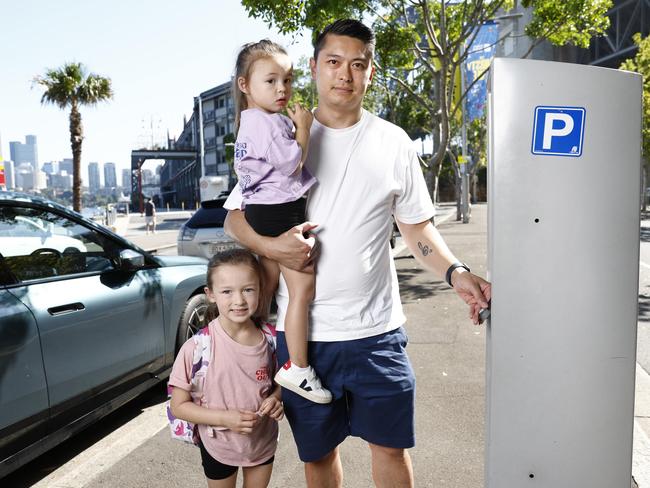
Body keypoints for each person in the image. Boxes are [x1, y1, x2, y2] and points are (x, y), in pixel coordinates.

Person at [224, 19, 491, 488]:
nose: (344, 74)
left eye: (357, 64)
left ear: (371, 71)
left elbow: (416, 228)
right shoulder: (278, 133)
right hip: (305, 341)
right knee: (319, 458)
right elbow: (235, 217)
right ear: (314, 67)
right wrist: (274, 247)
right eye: (333, 62)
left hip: (377, 334)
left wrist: (456, 272)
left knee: (391, 449)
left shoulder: (393, 142)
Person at [231, 39, 331, 404]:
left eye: (287, 80)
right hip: (279, 209)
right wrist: (303, 127)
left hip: (260, 209)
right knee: (303, 290)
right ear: (245, 85)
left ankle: (247, 345)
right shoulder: (270, 123)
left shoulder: (248, 122)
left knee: (268, 283)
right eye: (271, 81)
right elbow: (292, 164)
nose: (282, 89)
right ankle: (298, 369)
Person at [168, 249, 284, 488]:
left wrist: (276, 397)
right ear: (210, 294)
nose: (239, 300)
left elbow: (283, 380)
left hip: (262, 442)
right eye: (227, 291)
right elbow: (178, 406)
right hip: (218, 445)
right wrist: (225, 418)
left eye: (248, 290)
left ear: (260, 289)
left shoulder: (272, 340)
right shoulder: (197, 347)